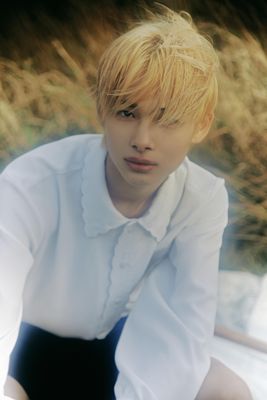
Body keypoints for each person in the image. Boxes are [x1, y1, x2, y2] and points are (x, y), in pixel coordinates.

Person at [0, 5, 252, 400]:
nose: (143, 139)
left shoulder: (201, 200)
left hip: (113, 345)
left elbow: (182, 329)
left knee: (227, 390)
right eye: (127, 112)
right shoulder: (31, 183)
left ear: (201, 123)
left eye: (167, 120)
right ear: (103, 108)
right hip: (20, 351)